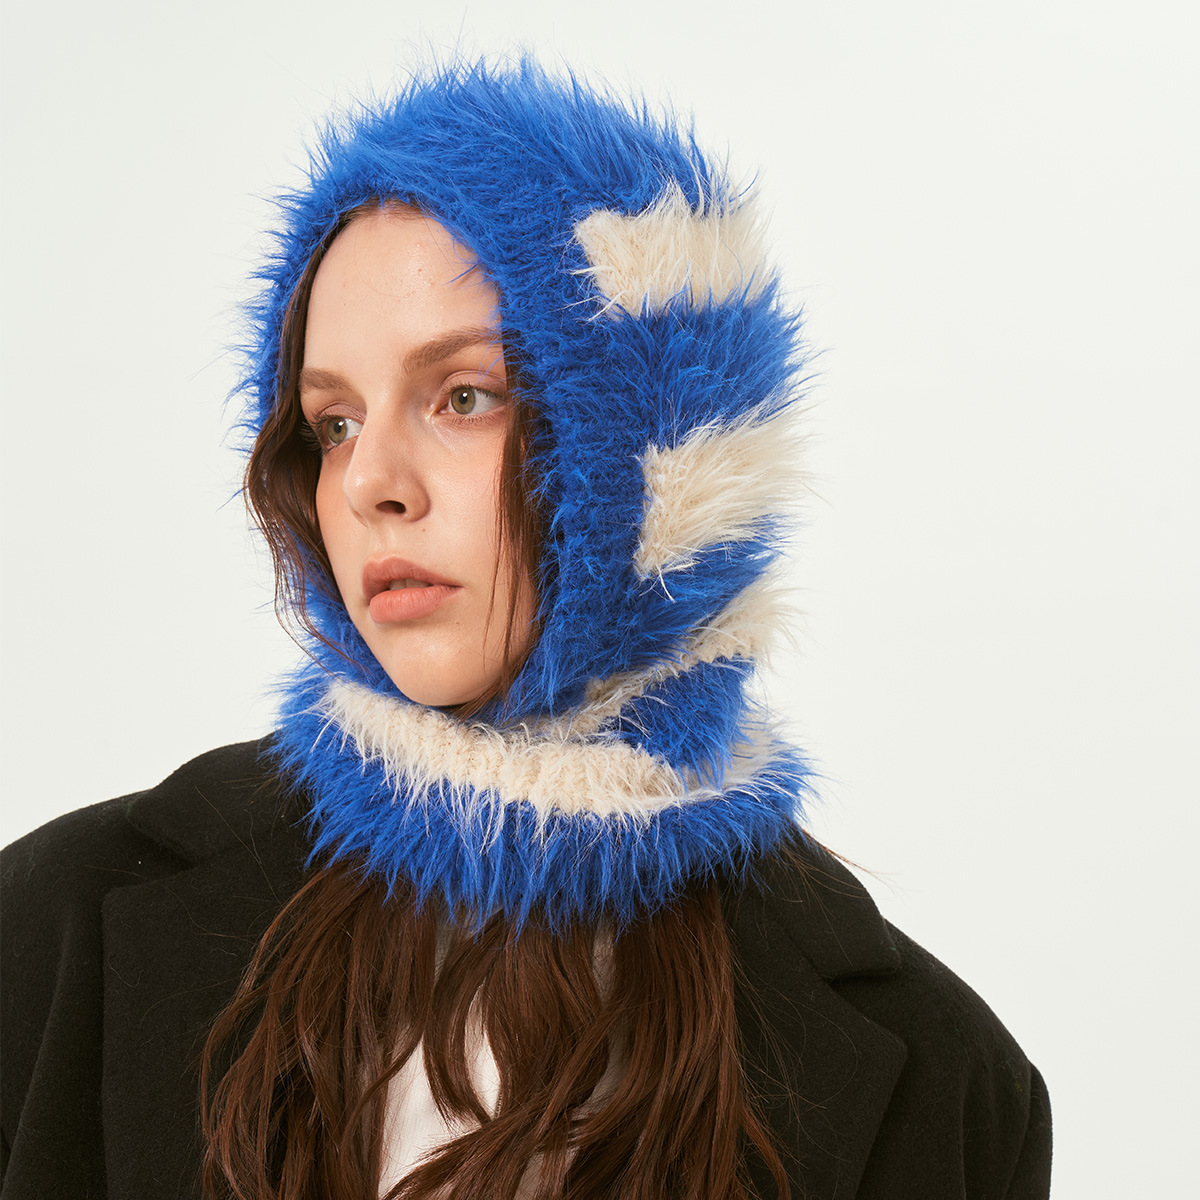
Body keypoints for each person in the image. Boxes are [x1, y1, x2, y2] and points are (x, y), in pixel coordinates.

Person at [0, 60, 1051, 1199]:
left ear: (659, 452)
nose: (371, 482)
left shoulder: (948, 1082)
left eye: (465, 396)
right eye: (333, 421)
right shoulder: (51, 932)